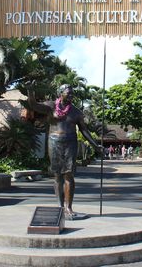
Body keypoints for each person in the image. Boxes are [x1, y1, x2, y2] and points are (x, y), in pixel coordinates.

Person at [26, 82, 101, 220]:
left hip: (70, 143)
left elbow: (84, 130)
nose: (71, 95)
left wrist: (95, 144)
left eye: (72, 93)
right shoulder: (50, 106)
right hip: (54, 142)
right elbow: (34, 105)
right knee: (57, 175)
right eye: (68, 92)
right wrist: (30, 92)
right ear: (61, 93)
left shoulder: (76, 112)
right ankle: (60, 207)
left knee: (69, 175)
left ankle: (68, 207)